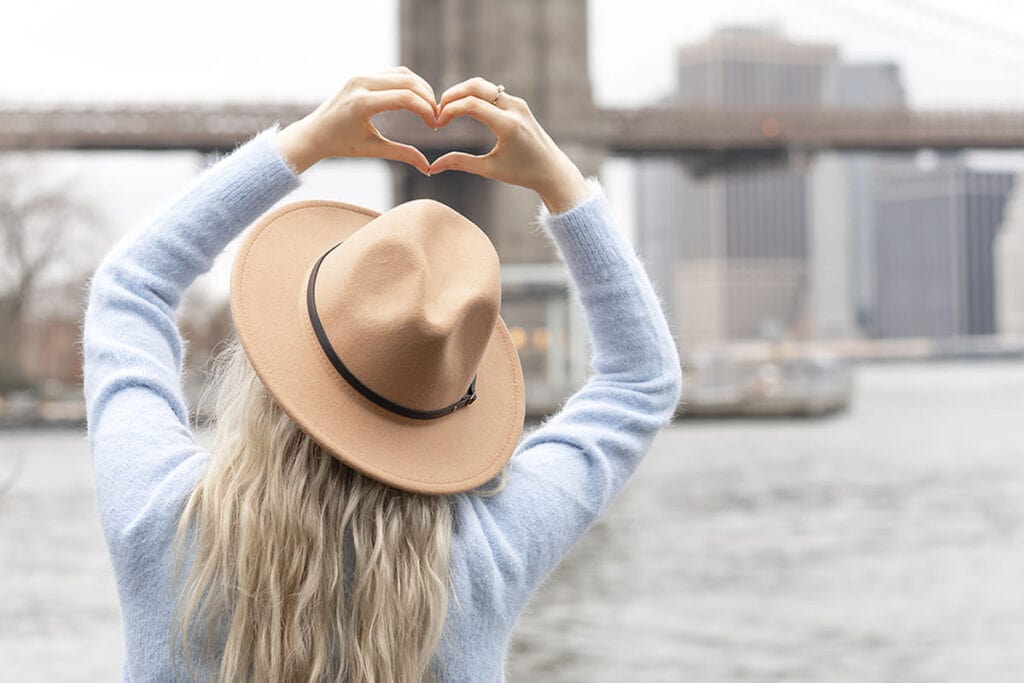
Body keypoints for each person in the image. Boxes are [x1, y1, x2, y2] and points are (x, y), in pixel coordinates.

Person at [82, 67, 682, 682]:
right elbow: (641, 381)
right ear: (445, 407)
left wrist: (305, 143)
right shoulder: (484, 559)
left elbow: (130, 288)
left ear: (277, 364)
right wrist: (561, 185)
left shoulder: (162, 525)